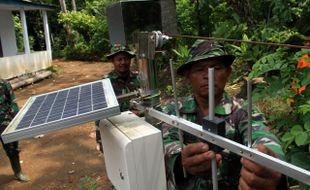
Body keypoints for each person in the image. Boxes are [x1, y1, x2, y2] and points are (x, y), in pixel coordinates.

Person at [161, 40, 287, 190]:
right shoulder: (173, 110)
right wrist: (180, 160)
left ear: (228, 73)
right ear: (188, 75)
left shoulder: (243, 111)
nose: (208, 75)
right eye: (199, 69)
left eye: (216, 68)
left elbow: (264, 138)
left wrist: (270, 164)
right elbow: (165, 141)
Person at [95, 44, 140, 152]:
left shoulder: (139, 78)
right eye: (119, 59)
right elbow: (99, 113)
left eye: (126, 59)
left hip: (138, 128)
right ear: (112, 61)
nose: (123, 62)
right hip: (116, 130)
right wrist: (100, 140)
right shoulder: (106, 82)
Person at [0, 78, 29, 182]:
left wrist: (16, 121)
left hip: (5, 122)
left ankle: (18, 172)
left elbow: (13, 102)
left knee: (12, 148)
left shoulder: (3, 84)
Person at [291, 26, 310, 95]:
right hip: (301, 100)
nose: (307, 44)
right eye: (305, 41)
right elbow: (295, 81)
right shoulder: (303, 58)